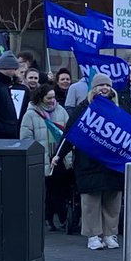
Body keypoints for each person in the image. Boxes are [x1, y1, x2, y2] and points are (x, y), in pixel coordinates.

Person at [52, 73, 123, 250]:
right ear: (94, 88)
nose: (104, 89)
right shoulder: (83, 108)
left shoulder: (119, 108)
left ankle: (109, 234)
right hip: (88, 162)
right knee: (91, 200)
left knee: (112, 200)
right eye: (100, 86)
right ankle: (93, 235)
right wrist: (58, 154)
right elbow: (70, 134)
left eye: (107, 85)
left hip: (112, 163)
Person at [21, 84, 70, 232]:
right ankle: (48, 218)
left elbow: (68, 134)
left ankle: (62, 217)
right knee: (47, 192)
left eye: (53, 97)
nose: (52, 100)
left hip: (59, 157)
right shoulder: (30, 114)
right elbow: (25, 138)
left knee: (60, 191)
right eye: (48, 98)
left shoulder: (61, 111)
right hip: (42, 157)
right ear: (40, 97)